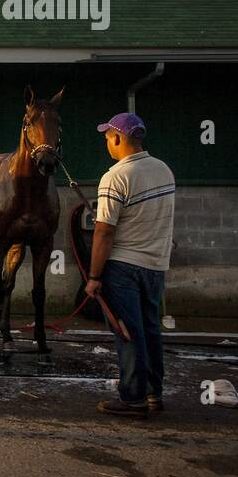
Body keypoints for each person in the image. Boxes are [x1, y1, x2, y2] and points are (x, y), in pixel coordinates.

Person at [85, 113, 175, 418]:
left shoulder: (115, 176)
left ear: (118, 138)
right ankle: (154, 394)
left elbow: (104, 231)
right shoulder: (164, 170)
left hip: (123, 266)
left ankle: (132, 398)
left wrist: (94, 276)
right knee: (150, 330)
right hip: (156, 265)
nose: (106, 143)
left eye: (107, 137)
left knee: (127, 332)